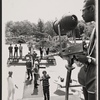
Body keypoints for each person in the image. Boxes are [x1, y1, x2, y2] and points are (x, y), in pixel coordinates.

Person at [75, 0, 96, 100]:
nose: (81, 14)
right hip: (88, 79)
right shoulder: (95, 28)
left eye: (83, 10)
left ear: (92, 9)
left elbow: (91, 59)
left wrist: (87, 59)